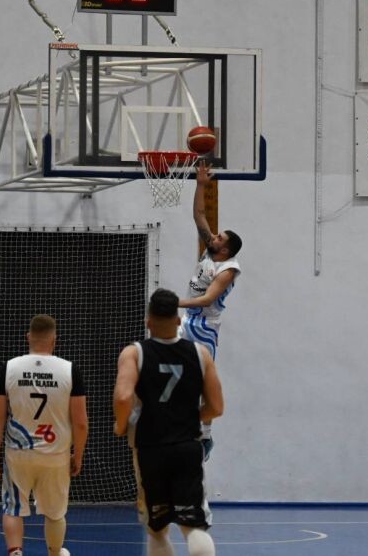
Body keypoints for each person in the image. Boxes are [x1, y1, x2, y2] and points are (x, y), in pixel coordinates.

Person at [113, 288, 224, 556]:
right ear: (178, 320)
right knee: (194, 525)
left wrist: (121, 425)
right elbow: (217, 407)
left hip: (150, 448)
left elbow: (123, 396)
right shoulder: (200, 353)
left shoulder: (134, 353)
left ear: (148, 320)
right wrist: (188, 415)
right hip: (187, 447)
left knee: (157, 527)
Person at [0, 314, 88, 556]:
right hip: (56, 453)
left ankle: (16, 553)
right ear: (54, 340)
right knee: (55, 513)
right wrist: (78, 455)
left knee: (13, 509)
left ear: (28, 337)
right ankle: (54, 553)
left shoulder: (9, 368)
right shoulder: (70, 370)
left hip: (18, 453)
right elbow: (81, 422)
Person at [177, 162, 241, 458]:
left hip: (204, 327)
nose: (213, 236)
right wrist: (201, 183)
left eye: (219, 238)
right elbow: (199, 215)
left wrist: (174, 303)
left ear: (225, 249)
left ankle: (205, 436)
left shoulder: (228, 269)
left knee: (201, 380)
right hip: (187, 320)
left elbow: (207, 299)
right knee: (169, 366)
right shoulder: (210, 250)